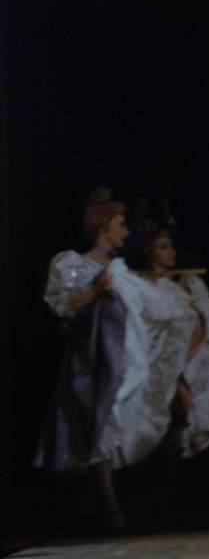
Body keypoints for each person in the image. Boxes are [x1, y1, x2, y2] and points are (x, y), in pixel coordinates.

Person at [35, 197, 196, 529]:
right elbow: (62, 306)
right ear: (102, 228)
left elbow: (147, 312)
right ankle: (110, 510)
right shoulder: (75, 264)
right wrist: (96, 290)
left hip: (120, 358)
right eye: (120, 225)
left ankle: (111, 504)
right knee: (100, 429)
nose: (126, 231)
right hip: (92, 360)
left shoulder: (121, 271)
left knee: (116, 425)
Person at [139, 228, 209, 458]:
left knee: (200, 397)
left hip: (193, 353)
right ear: (150, 252)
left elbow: (203, 319)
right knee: (178, 404)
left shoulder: (185, 283)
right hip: (164, 358)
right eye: (163, 247)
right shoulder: (146, 286)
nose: (171, 251)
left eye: (171, 246)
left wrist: (187, 294)